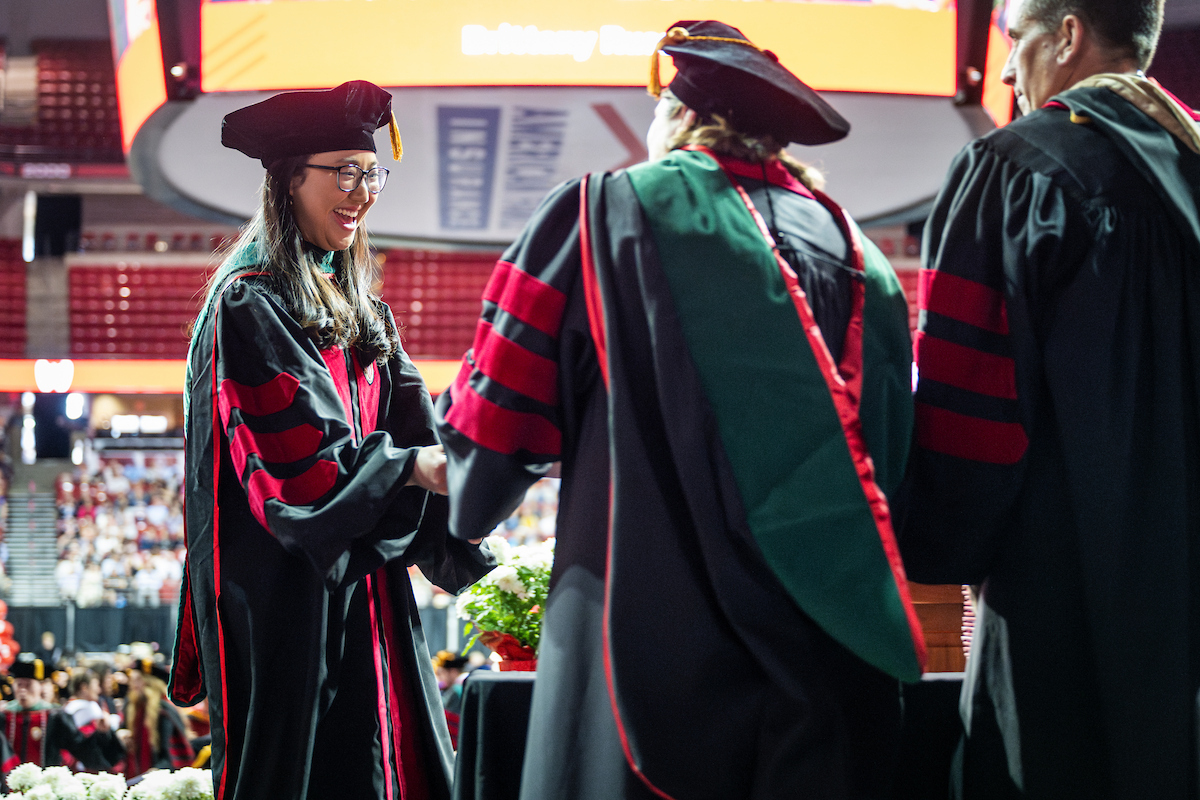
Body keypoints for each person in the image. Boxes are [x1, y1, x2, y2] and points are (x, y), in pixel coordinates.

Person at [437, 20, 924, 800]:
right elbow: (894, 474)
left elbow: (494, 427)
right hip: (835, 673)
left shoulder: (606, 214)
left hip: (642, 664)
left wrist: (452, 469)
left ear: (679, 118)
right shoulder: (867, 264)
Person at [900, 0, 1200, 797]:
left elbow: (970, 415)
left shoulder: (1015, 169)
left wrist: (937, 544)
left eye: (1015, 40)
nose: (1003, 70)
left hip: (1060, 602)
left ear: (1066, 36)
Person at [167, 80, 494, 800]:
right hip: (287, 598)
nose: (363, 192)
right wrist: (415, 469)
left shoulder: (364, 309)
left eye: (370, 171)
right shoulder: (250, 303)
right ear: (289, 178)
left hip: (366, 586)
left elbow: (423, 434)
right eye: (342, 171)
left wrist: (485, 492)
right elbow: (302, 473)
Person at [0, 656, 118, 778]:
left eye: (28, 685)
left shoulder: (54, 716)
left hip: (46, 788)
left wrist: (102, 734)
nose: (23, 690)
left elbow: (81, 748)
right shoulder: (4, 716)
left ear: (40, 686)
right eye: (19, 685)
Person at [119, 661, 192, 778]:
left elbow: (170, 751)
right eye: (132, 680)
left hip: (160, 776)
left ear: (150, 683)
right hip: (136, 773)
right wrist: (121, 734)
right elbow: (123, 729)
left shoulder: (164, 711)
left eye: (138, 680)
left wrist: (160, 769)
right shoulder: (132, 706)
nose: (133, 684)